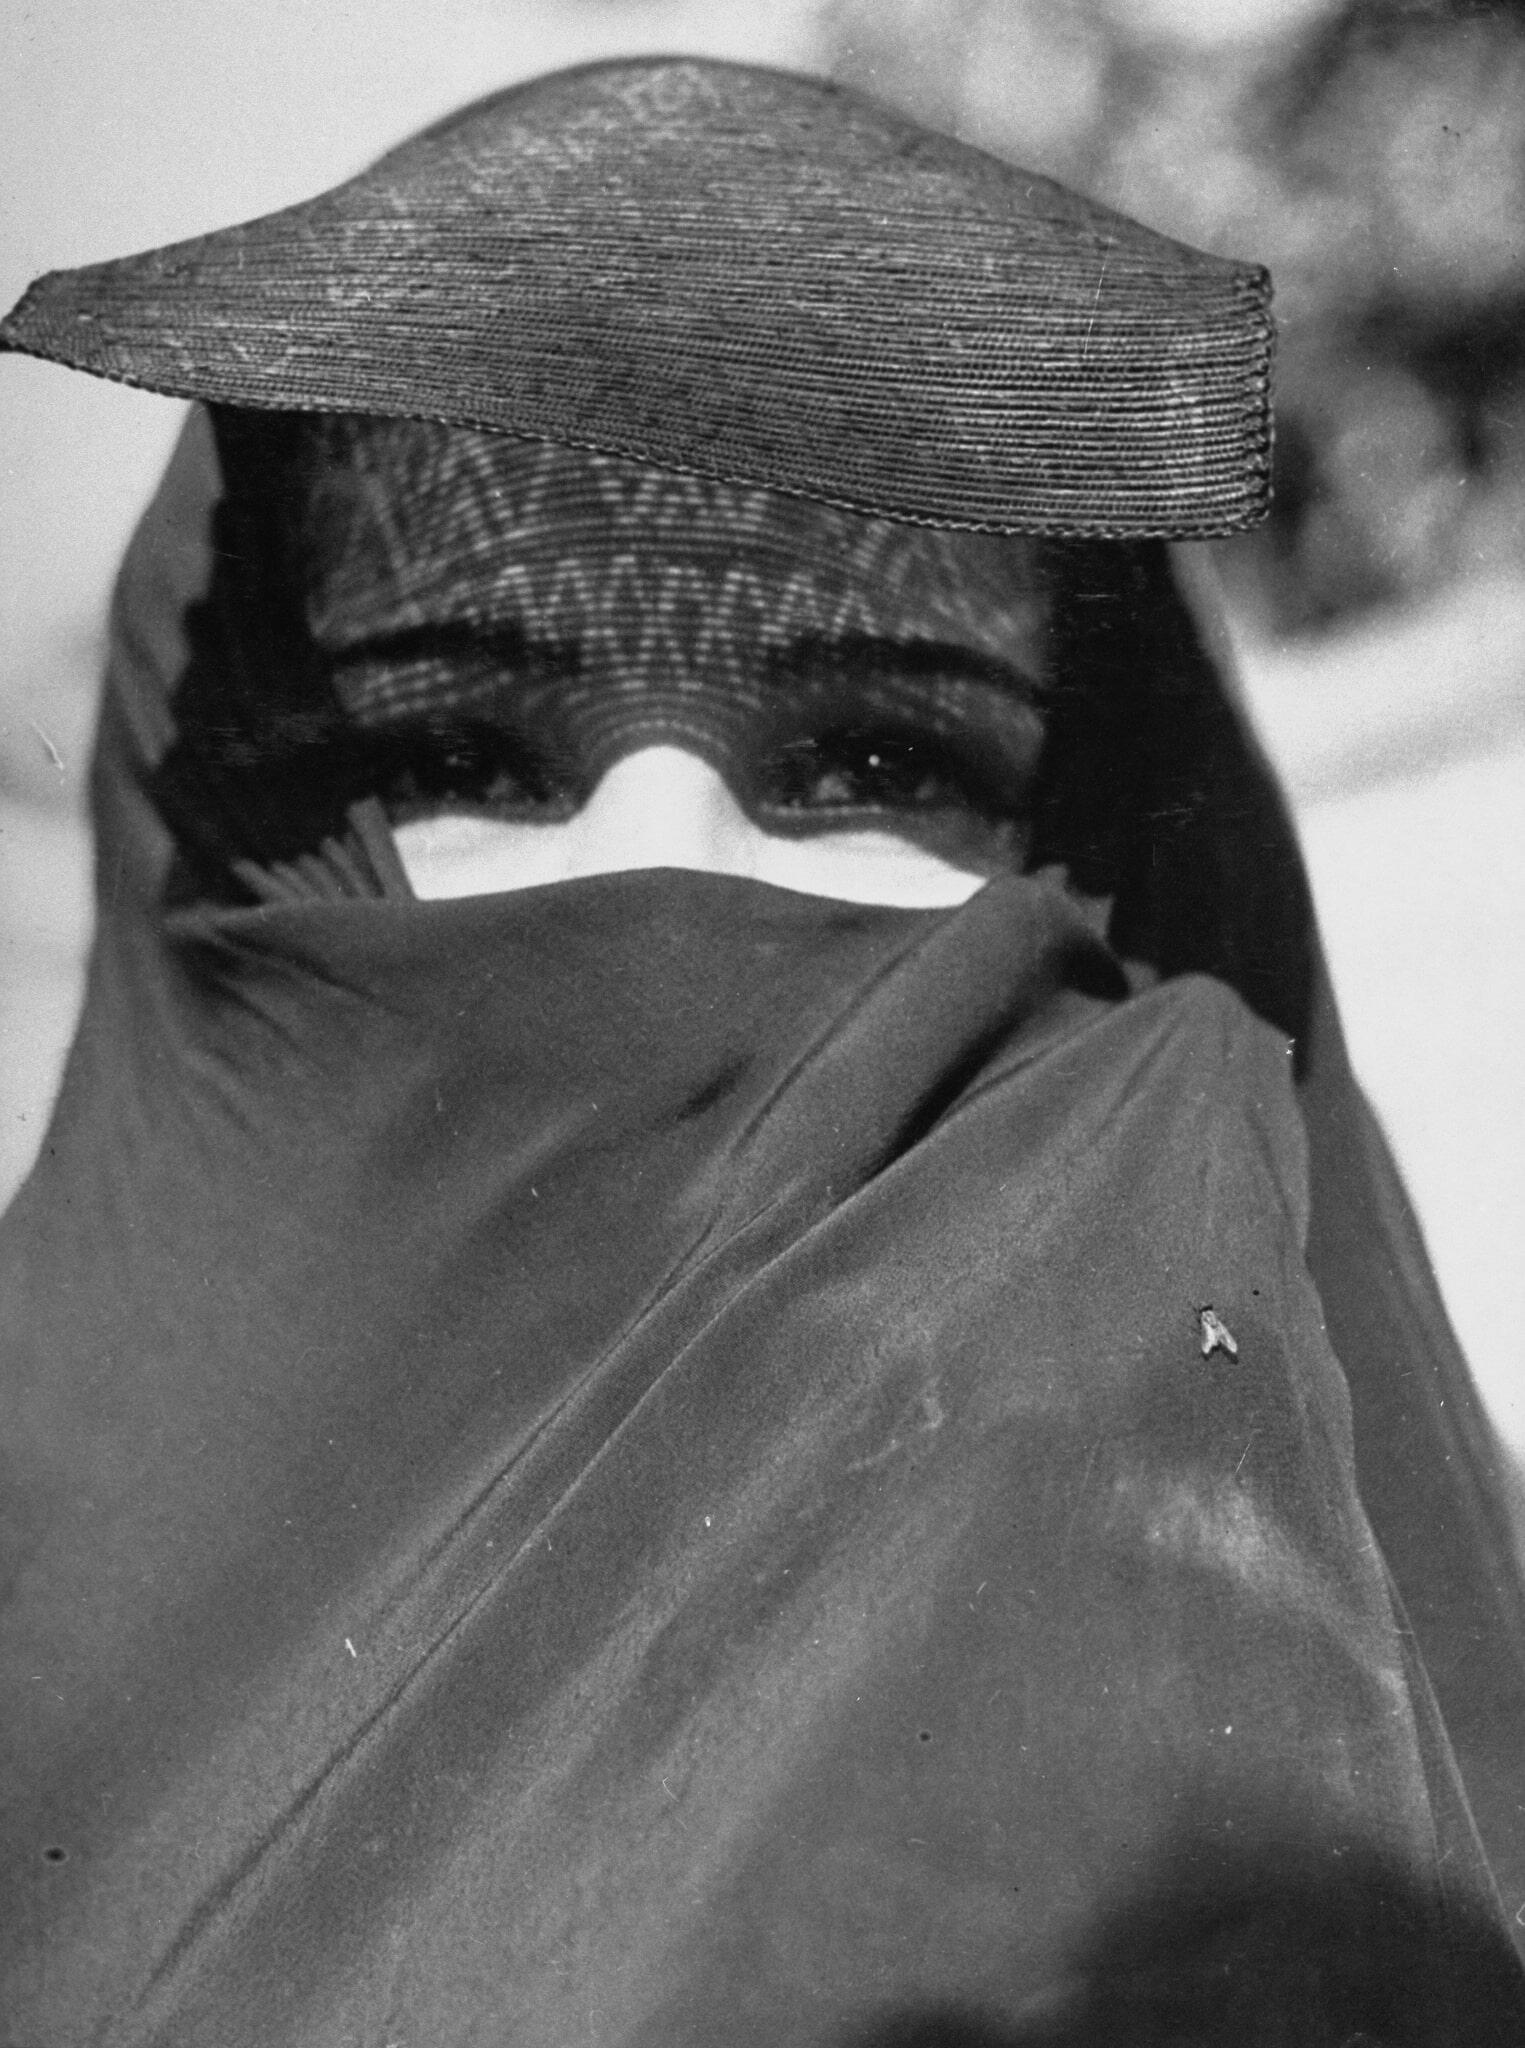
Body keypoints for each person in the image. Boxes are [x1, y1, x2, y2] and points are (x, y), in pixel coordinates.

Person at [3, 55, 1524, 2046]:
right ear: (237, 848)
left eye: (876, 759)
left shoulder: (1188, 1586)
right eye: (463, 755)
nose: (663, 880)